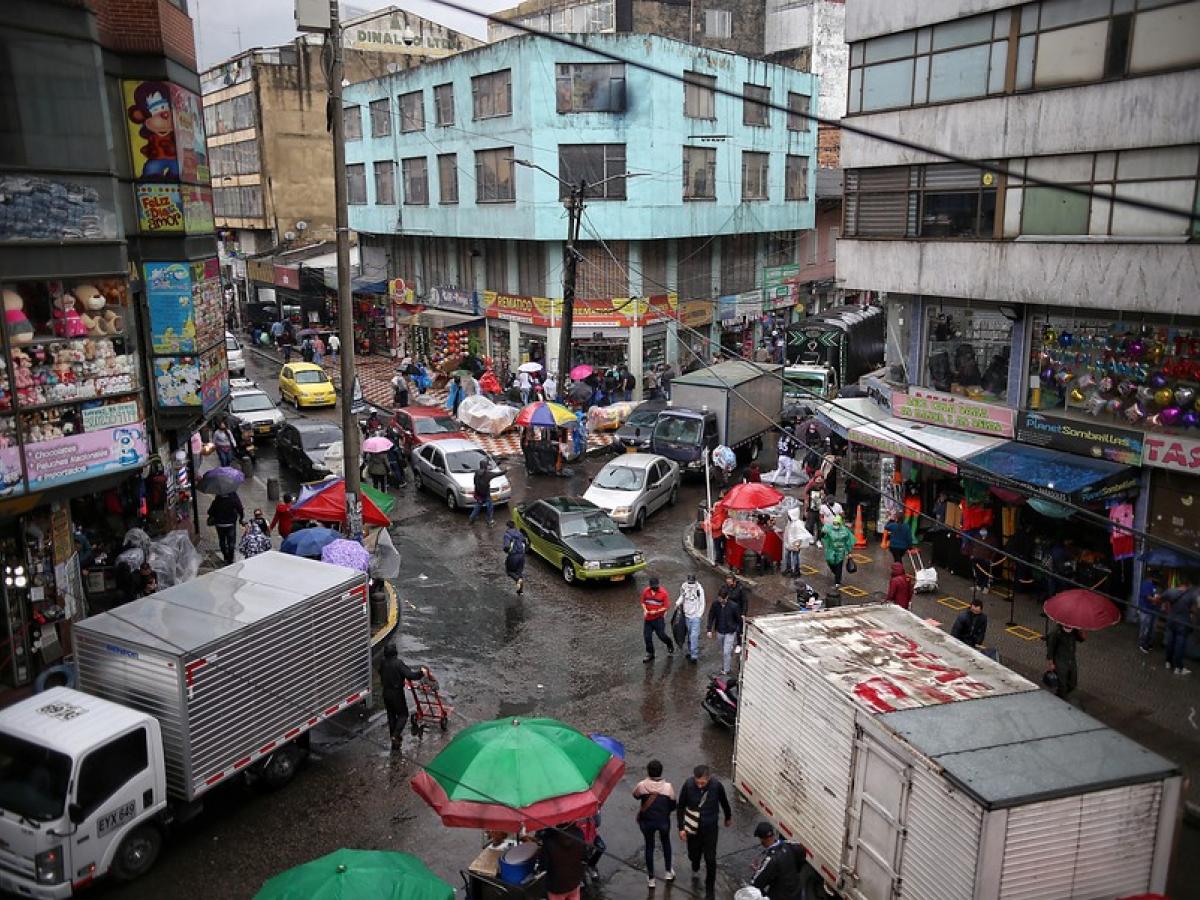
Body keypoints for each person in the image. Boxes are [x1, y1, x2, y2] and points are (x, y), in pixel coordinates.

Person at [676, 765, 732, 899]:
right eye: (697, 782)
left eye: (703, 783)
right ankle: (695, 864)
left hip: (710, 828)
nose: (699, 785)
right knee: (693, 855)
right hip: (693, 828)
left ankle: (710, 891)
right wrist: (681, 828)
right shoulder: (688, 785)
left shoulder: (717, 786)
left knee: (710, 859)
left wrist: (728, 817)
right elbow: (680, 806)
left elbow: (724, 802)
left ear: (709, 778)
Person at [632, 760, 676, 888]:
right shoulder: (668, 787)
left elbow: (635, 796)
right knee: (666, 843)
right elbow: (673, 805)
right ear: (661, 772)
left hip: (647, 822)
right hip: (663, 822)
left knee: (649, 846)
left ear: (648, 771)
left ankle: (651, 879)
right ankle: (668, 872)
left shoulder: (641, 785)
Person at [378, 644, 430, 750]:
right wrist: (421, 672)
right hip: (396, 693)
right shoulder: (398, 663)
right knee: (403, 715)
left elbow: (380, 672)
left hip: (386, 692)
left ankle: (394, 739)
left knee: (391, 715)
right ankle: (395, 735)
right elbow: (410, 675)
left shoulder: (383, 662)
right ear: (395, 652)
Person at [750, 822, 806, 900]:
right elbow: (801, 850)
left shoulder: (771, 860)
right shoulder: (790, 846)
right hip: (797, 893)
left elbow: (755, 883)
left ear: (762, 839)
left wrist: (758, 870)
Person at [1162, 584, 1197, 676]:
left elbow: (1161, 599)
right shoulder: (1191, 595)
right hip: (1182, 623)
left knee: (1170, 642)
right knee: (1180, 645)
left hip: (1171, 620)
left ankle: (1168, 662)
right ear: (1188, 585)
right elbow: (1195, 609)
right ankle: (1178, 668)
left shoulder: (1171, 591)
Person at [707, 588, 743, 675]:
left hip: (730, 632)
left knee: (726, 652)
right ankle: (727, 660)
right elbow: (711, 616)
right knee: (723, 650)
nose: (720, 601)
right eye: (719, 599)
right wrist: (709, 629)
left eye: (722, 599)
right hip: (720, 631)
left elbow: (739, 621)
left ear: (726, 598)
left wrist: (739, 632)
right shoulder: (715, 604)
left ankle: (726, 670)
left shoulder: (734, 606)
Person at [1046, 622, 1083, 699]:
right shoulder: (1056, 632)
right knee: (1062, 685)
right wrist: (1051, 663)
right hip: (1060, 662)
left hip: (1071, 661)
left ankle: (1060, 695)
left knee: (1073, 684)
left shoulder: (1074, 630)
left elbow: (1081, 639)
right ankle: (1061, 697)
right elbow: (1050, 648)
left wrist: (1083, 630)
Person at [642, 577, 675, 662]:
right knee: (647, 636)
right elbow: (643, 602)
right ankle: (650, 653)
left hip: (658, 619)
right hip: (648, 619)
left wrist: (656, 611)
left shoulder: (663, 593)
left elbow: (666, 607)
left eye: (656, 586)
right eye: (653, 587)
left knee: (661, 635)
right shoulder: (646, 591)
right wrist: (645, 610)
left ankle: (669, 643)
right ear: (650, 586)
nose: (655, 588)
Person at [207, 491, 245, 565]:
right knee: (231, 542)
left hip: (219, 525)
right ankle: (230, 559)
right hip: (230, 524)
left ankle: (225, 557)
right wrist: (241, 518)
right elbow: (240, 509)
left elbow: (210, 512)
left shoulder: (216, 500)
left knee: (222, 541)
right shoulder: (233, 499)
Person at [676, 574, 707, 663]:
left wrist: (699, 615)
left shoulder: (699, 589)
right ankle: (690, 651)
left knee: (694, 636)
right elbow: (682, 596)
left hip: (695, 617)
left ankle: (694, 655)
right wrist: (677, 603)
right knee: (689, 635)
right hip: (687, 616)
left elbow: (702, 603)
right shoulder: (684, 587)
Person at [821, 515, 855, 588]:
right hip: (831, 550)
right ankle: (836, 574)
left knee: (839, 566)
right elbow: (823, 537)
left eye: (837, 524)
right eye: (834, 523)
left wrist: (849, 552)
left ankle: (837, 582)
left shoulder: (845, 531)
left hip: (840, 551)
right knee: (830, 562)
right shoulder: (829, 529)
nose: (835, 525)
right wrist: (823, 533)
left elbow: (848, 542)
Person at [468, 459, 499, 526]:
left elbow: (474, 482)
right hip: (486, 494)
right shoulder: (487, 474)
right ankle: (489, 520)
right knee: (490, 507)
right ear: (485, 466)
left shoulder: (476, 473)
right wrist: (506, 470)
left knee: (477, 507)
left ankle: (471, 519)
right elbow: (498, 474)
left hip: (479, 494)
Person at [782, 507, 811, 577]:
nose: (788, 516)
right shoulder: (790, 522)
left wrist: (797, 544)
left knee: (795, 557)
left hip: (795, 544)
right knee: (787, 556)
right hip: (789, 544)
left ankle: (796, 571)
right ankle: (788, 568)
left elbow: (801, 534)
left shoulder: (798, 523)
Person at [1137, 575, 1161, 654]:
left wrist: (1158, 599)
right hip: (1145, 609)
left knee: (1151, 628)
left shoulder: (1155, 586)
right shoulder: (1146, 584)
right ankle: (1142, 644)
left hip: (1152, 609)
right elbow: (1147, 596)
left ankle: (1148, 643)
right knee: (1145, 628)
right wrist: (1156, 599)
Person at [503, 522, 527, 595]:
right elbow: (525, 542)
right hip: (522, 556)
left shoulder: (507, 534)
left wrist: (506, 550)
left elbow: (506, 546)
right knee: (519, 573)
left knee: (509, 571)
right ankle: (520, 591)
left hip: (513, 556)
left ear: (508, 527)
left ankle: (518, 579)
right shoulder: (519, 533)